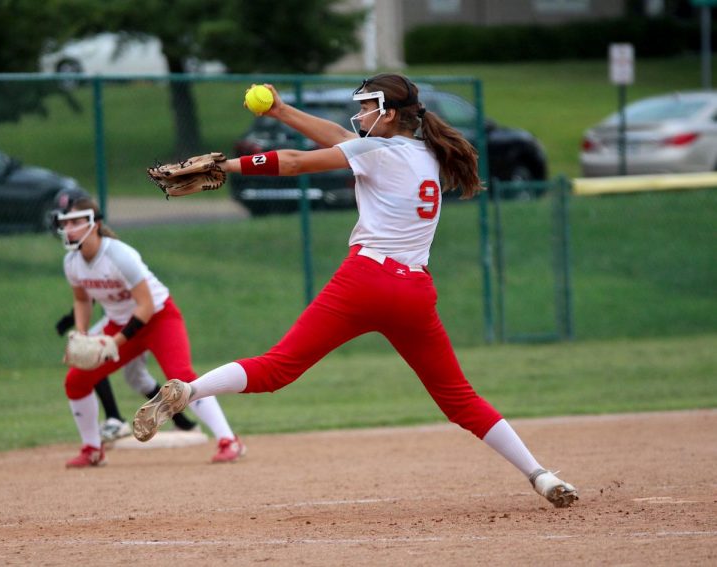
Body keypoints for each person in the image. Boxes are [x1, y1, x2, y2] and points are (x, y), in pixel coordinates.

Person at [134, 74, 578, 508]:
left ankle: (191, 392)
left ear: (389, 114)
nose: (360, 113)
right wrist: (282, 110)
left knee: (277, 368)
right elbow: (343, 142)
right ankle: (540, 474)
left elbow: (293, 162)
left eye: (368, 106)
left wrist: (225, 166)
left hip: (364, 282)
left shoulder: (378, 152)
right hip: (414, 294)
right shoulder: (430, 152)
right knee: (460, 400)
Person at [56, 196, 245, 467]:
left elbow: (145, 305)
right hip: (121, 323)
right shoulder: (72, 262)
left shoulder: (118, 255)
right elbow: (82, 300)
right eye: (66, 223)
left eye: (76, 222)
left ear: (95, 224)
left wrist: (114, 342)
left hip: (159, 318)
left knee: (182, 378)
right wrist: (83, 334)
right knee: (77, 381)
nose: (70, 228)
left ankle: (229, 440)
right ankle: (92, 449)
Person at [55, 309, 198, 441]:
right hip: (121, 322)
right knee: (137, 378)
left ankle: (114, 418)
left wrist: (70, 318)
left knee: (94, 357)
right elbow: (89, 292)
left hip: (134, 323)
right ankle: (184, 423)